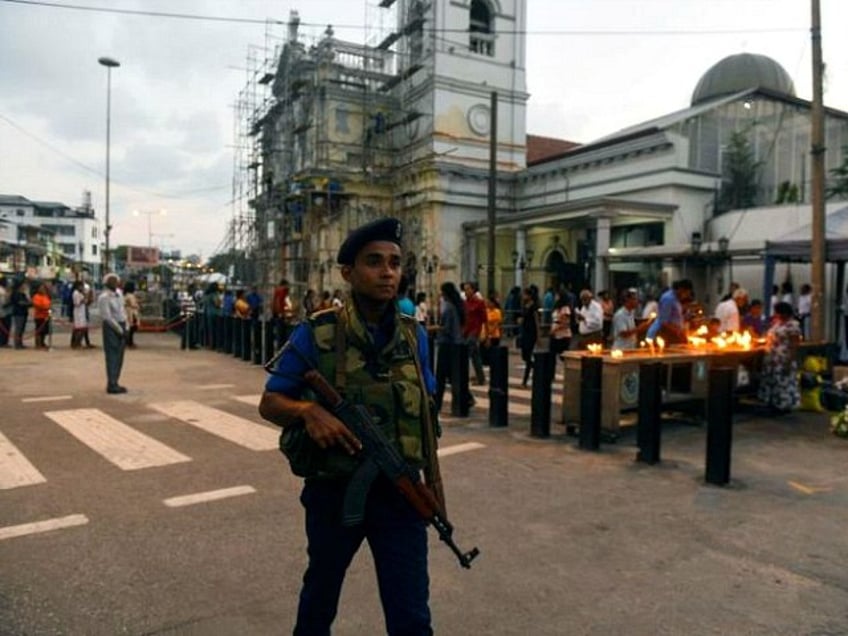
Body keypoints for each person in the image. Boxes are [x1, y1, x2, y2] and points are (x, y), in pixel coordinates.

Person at [258, 217, 438, 636]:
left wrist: (429, 482)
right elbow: (270, 402)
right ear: (348, 273)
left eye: (395, 262)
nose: (388, 271)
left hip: (401, 493)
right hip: (336, 493)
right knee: (319, 599)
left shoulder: (416, 338)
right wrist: (307, 412)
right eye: (374, 261)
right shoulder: (317, 334)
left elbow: (427, 417)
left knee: (412, 614)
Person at [758, 301, 801, 414]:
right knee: (772, 381)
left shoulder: (793, 325)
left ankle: (783, 406)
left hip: (783, 358)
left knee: (783, 383)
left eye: (778, 312)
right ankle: (771, 403)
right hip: (772, 358)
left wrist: (789, 361)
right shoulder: (777, 323)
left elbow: (794, 345)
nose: (776, 315)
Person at [434, 281, 465, 411]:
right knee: (452, 375)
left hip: (447, 344)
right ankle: (464, 399)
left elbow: (446, 328)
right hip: (454, 344)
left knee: (441, 375)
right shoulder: (455, 306)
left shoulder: (449, 308)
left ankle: (437, 403)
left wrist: (435, 328)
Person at [97, 273, 128, 394]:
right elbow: (107, 317)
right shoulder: (104, 297)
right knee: (112, 355)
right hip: (111, 327)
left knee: (119, 356)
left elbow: (122, 310)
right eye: (112, 281)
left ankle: (116, 381)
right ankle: (111, 383)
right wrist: (120, 330)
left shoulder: (119, 294)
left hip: (122, 323)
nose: (115, 283)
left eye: (116, 280)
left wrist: (126, 326)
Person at [646, 279, 694, 344]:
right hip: (662, 334)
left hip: (671, 334)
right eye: (686, 293)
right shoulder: (668, 299)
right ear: (681, 289)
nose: (686, 296)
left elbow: (674, 317)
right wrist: (678, 331)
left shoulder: (676, 299)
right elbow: (664, 322)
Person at [462, 281, 487, 385]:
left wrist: (486, 334)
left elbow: (484, 319)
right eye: (465, 289)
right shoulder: (464, 303)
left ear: (473, 290)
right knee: (475, 356)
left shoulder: (479, 302)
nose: (466, 291)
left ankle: (476, 377)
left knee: (468, 353)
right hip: (465, 331)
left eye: (468, 289)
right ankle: (480, 377)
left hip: (475, 331)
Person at [518, 286, 539, 386]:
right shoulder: (524, 305)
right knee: (525, 356)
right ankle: (535, 366)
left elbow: (536, 320)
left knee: (528, 354)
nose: (523, 296)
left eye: (525, 294)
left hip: (531, 332)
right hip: (525, 332)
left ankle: (525, 380)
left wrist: (539, 335)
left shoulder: (534, 306)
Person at [10, 279, 32, 349]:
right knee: (18, 328)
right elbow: (19, 303)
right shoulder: (16, 293)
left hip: (23, 312)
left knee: (22, 328)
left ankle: (20, 343)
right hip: (18, 312)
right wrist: (28, 303)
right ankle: (17, 343)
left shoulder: (23, 293)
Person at [549, 290, 572, 356]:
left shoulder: (565, 308)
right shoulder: (556, 308)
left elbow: (566, 323)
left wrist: (555, 329)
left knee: (562, 354)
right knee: (552, 353)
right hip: (555, 333)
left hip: (563, 334)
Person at [31, 282, 52, 349]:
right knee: (39, 331)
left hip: (46, 316)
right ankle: (38, 344)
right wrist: (45, 308)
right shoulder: (36, 296)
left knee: (45, 331)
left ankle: (42, 342)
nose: (42, 289)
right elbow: (37, 305)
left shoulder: (46, 296)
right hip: (39, 316)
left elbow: (48, 303)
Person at [123, 281, 140, 349]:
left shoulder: (125, 294)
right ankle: (129, 342)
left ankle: (129, 342)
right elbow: (133, 304)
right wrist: (137, 305)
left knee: (129, 328)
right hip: (131, 313)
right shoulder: (130, 295)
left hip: (127, 312)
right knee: (132, 328)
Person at [71, 280, 88, 349]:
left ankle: (79, 342)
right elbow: (77, 303)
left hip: (82, 311)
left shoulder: (80, 293)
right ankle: (76, 343)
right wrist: (83, 300)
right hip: (78, 312)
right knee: (79, 329)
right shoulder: (75, 293)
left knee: (82, 328)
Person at [0, 277, 10, 347]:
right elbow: (3, 302)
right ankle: (2, 342)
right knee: (3, 328)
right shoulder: (1, 290)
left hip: (6, 312)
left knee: (6, 328)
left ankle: (4, 342)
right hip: (2, 312)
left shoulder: (5, 290)